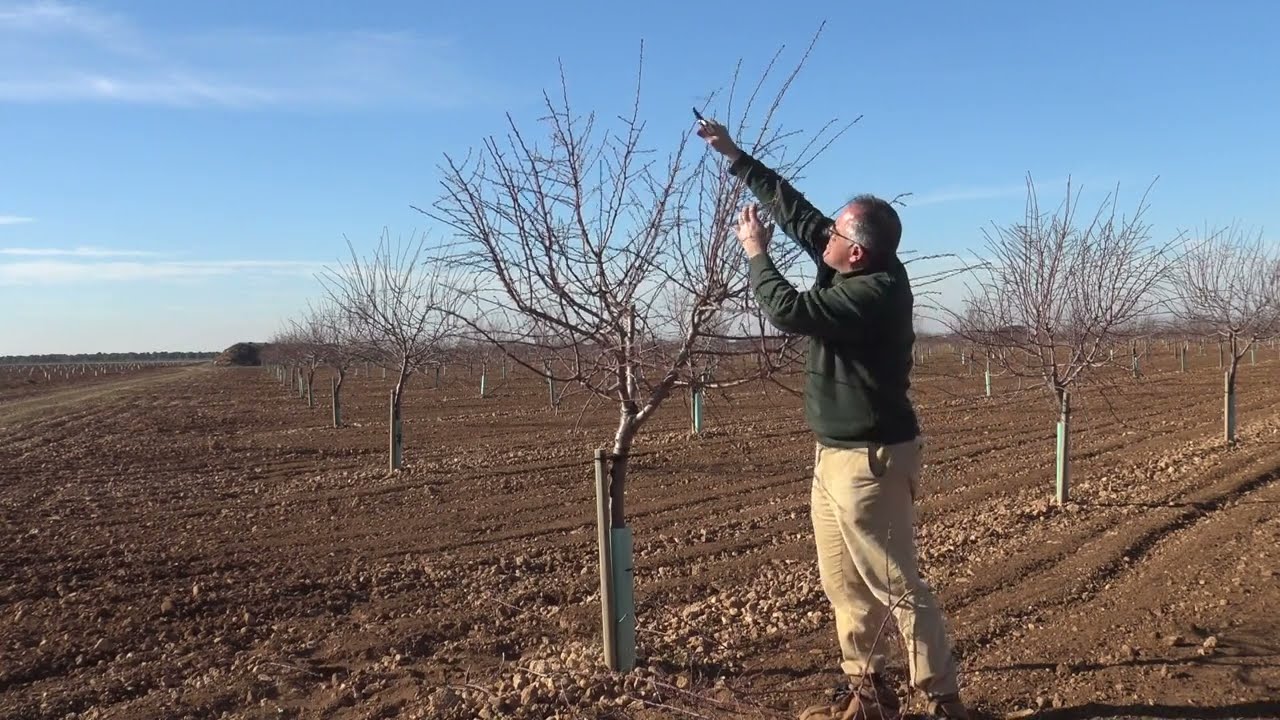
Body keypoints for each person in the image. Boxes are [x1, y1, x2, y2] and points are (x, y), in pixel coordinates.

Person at [696, 119, 969, 720]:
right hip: (834, 456)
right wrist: (736, 157)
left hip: (871, 460)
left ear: (858, 251)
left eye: (836, 234)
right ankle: (869, 694)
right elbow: (801, 215)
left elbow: (789, 310)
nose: (824, 238)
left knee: (896, 585)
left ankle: (944, 700)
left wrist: (755, 254)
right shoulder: (847, 258)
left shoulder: (873, 292)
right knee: (843, 584)